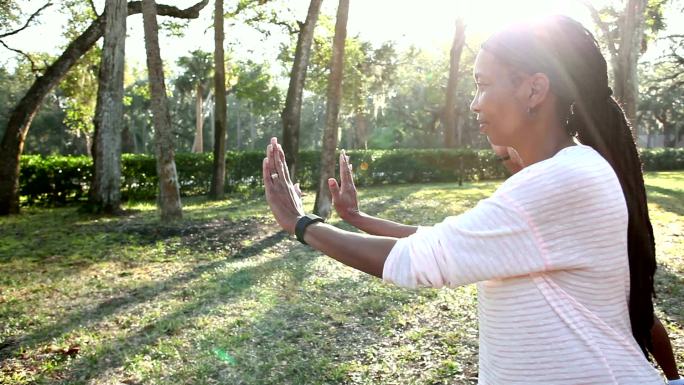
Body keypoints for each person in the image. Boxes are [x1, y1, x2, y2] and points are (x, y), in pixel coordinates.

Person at [262, 15, 681, 384]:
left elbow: (423, 260)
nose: (473, 102)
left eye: (482, 85)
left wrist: (301, 224)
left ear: (535, 90)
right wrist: (357, 218)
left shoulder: (562, 179)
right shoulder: (566, 173)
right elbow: (457, 242)